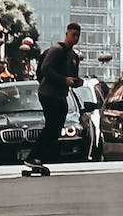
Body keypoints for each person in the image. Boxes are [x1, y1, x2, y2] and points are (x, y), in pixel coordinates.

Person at [26, 24, 82, 177]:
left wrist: (76, 82)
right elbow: (45, 69)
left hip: (61, 95)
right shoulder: (57, 50)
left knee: (56, 129)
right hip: (48, 93)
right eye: (73, 35)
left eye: (78, 35)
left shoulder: (74, 56)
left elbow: (73, 77)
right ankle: (33, 156)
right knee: (51, 126)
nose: (75, 38)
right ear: (67, 34)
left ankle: (39, 157)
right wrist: (64, 80)